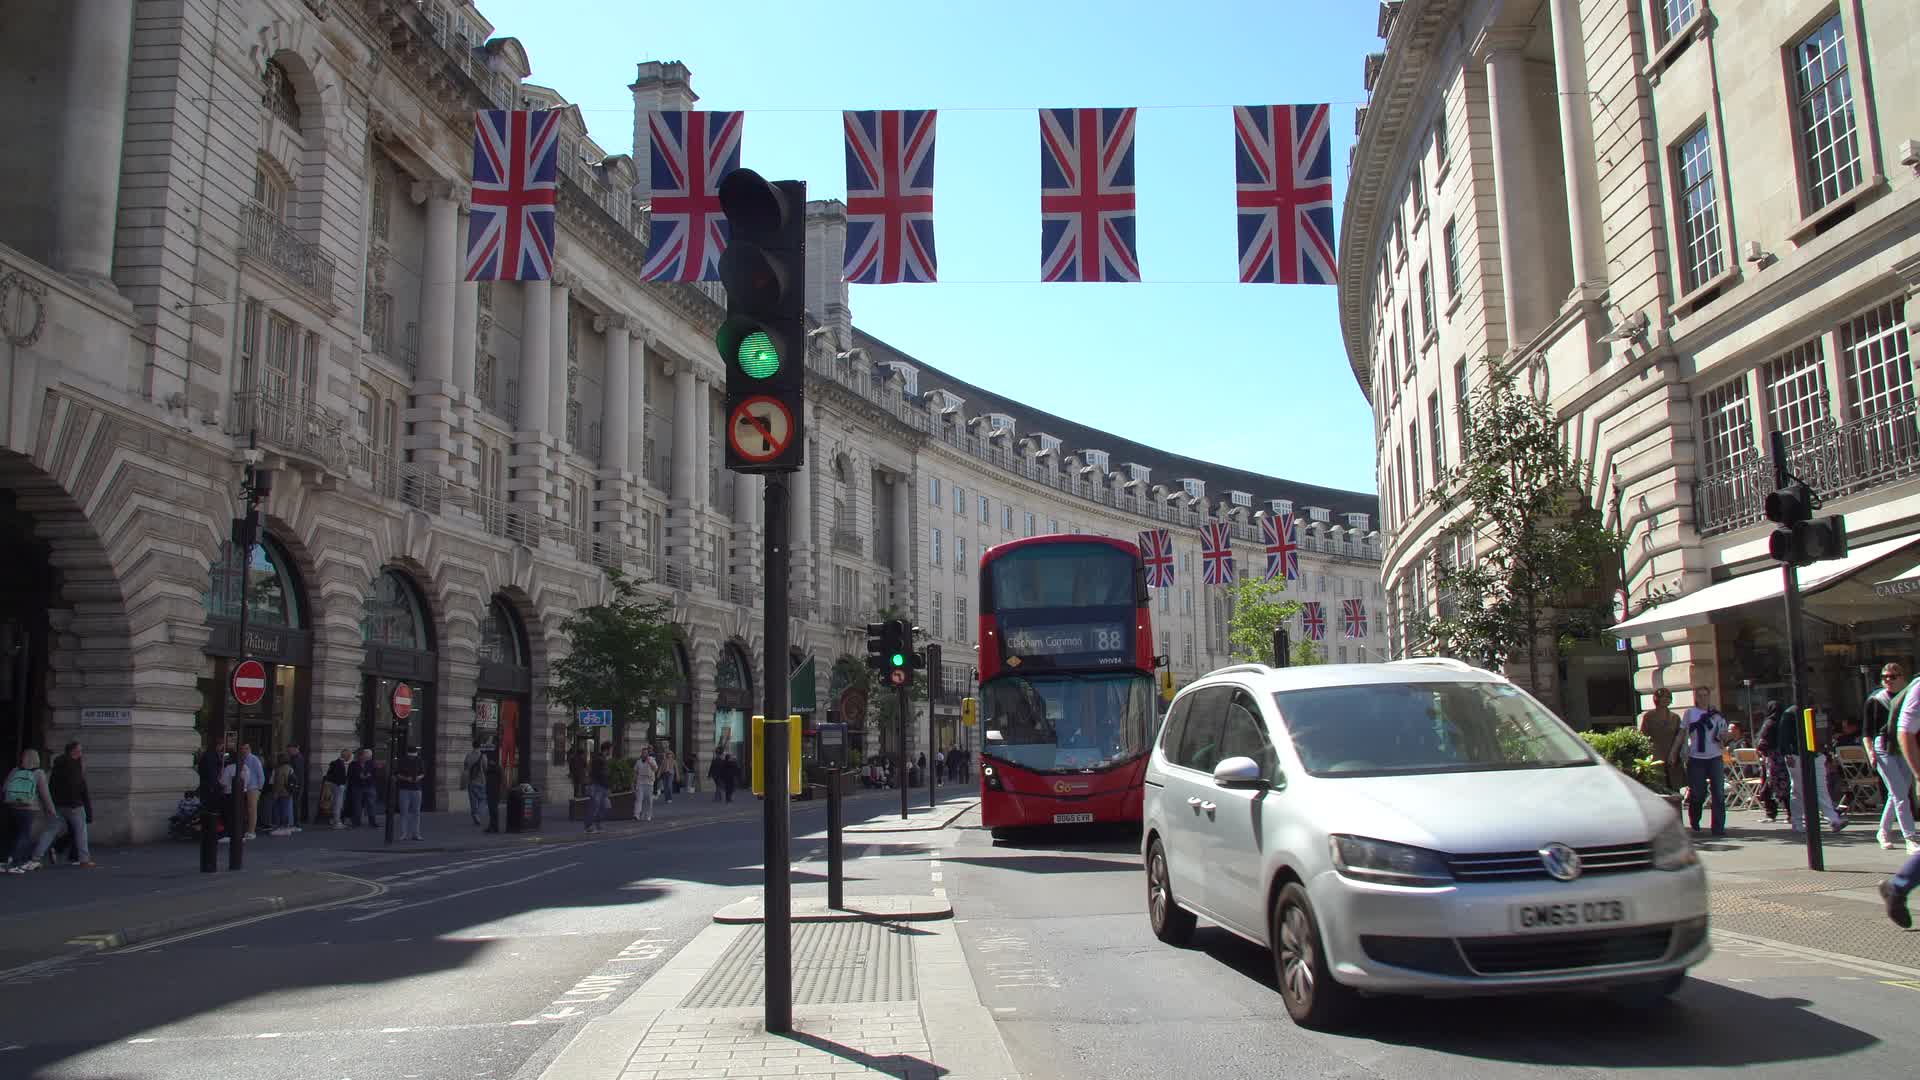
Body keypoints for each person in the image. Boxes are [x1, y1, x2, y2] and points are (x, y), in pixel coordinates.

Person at [1866, 663, 1918, 853]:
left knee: (1897, 793)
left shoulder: (1909, 695)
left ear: (1903, 677)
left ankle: (1883, 831)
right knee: (1901, 794)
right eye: (1885, 676)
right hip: (1883, 747)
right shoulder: (1876, 699)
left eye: (1893, 676)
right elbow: (1867, 732)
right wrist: (1870, 752)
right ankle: (1910, 837)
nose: (1888, 679)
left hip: (1902, 747)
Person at [1680, 687, 1731, 836]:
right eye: (1700, 696)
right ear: (1696, 697)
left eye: (1705, 695)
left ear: (1709, 697)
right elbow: (1683, 733)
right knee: (1698, 793)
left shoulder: (1717, 715)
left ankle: (1718, 827)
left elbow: (1724, 735)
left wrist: (1725, 736)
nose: (1703, 698)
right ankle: (1695, 819)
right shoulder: (1690, 713)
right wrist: (1682, 749)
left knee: (1718, 793)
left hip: (1714, 756)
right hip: (1696, 758)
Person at [4, 749, 57, 872]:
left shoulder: (15, 770)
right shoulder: (39, 773)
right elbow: (45, 794)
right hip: (29, 807)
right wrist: (51, 809)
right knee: (25, 834)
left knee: (17, 833)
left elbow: (5, 787)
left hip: (13, 806)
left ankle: (10, 858)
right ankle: (15, 862)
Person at [49, 742, 95, 867]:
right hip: (74, 804)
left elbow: (52, 786)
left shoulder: (59, 766)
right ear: (73, 751)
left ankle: (60, 851)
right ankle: (80, 858)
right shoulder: (74, 767)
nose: (81, 753)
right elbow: (80, 789)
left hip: (61, 803)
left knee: (68, 830)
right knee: (79, 831)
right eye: (79, 750)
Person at [1638, 688, 1684, 793]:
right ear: (1656, 699)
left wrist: (1676, 753)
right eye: (1662, 697)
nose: (1665, 700)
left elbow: (1680, 737)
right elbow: (1643, 736)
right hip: (1656, 756)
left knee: (1674, 788)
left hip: (1672, 757)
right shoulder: (1649, 716)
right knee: (1659, 788)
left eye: (1667, 697)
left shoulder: (1675, 717)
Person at [1754, 702, 1793, 822]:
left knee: (1769, 786)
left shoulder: (1769, 723)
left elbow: (1763, 742)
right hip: (1785, 758)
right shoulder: (1785, 722)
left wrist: (1760, 750)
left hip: (1773, 759)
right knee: (1784, 786)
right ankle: (1790, 813)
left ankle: (1771, 813)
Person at [396, 744, 426, 841]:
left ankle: (405, 834)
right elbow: (423, 773)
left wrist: (407, 778)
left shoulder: (403, 760)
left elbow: (397, 774)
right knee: (415, 812)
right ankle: (414, 834)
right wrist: (416, 778)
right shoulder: (417, 760)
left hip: (406, 789)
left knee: (405, 812)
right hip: (415, 789)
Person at [267, 753, 296, 835]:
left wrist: (275, 793)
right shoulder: (289, 768)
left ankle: (280, 827)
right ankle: (285, 826)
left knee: (278, 810)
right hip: (288, 791)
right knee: (285, 809)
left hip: (281, 792)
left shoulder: (279, 769)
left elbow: (278, 782)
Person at [349, 748, 378, 828]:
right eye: (366, 756)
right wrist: (359, 776)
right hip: (357, 786)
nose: (367, 758)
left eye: (368, 757)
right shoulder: (353, 764)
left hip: (369, 786)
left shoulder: (371, 763)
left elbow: (375, 774)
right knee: (357, 805)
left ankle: (372, 822)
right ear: (361, 756)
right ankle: (356, 822)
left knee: (371, 804)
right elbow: (350, 776)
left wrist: (368, 777)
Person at [584, 743, 610, 832]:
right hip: (597, 786)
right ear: (606, 750)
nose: (611, 751)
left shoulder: (603, 759)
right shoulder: (598, 759)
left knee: (604, 806)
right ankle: (589, 825)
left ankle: (598, 824)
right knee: (594, 806)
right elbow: (597, 773)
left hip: (602, 786)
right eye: (610, 749)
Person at [324, 750, 350, 829]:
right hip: (338, 786)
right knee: (338, 804)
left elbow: (329, 774)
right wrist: (343, 784)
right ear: (346, 756)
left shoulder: (334, 762)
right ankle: (337, 822)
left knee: (335, 803)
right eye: (349, 756)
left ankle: (334, 820)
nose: (349, 758)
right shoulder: (340, 764)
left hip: (333, 785)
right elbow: (340, 776)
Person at [463, 742, 487, 825]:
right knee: (483, 799)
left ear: (472, 746)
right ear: (479, 746)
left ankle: (475, 815)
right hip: (481, 781)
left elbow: (465, 768)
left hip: (471, 781)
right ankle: (480, 813)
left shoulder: (468, 756)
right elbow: (485, 768)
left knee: (473, 801)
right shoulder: (482, 756)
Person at [483, 742, 505, 833]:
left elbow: (501, 781)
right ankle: (492, 826)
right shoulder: (493, 769)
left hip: (494, 791)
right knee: (492, 809)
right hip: (491, 790)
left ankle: (494, 827)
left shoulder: (496, 769)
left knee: (493, 809)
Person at [633, 751, 656, 822]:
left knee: (649, 800)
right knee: (639, 799)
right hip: (640, 782)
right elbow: (635, 772)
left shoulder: (652, 759)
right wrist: (633, 781)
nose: (644, 754)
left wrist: (649, 762)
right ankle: (636, 814)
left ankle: (648, 814)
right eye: (643, 753)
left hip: (649, 782)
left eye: (646, 753)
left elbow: (655, 769)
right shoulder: (638, 762)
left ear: (647, 754)